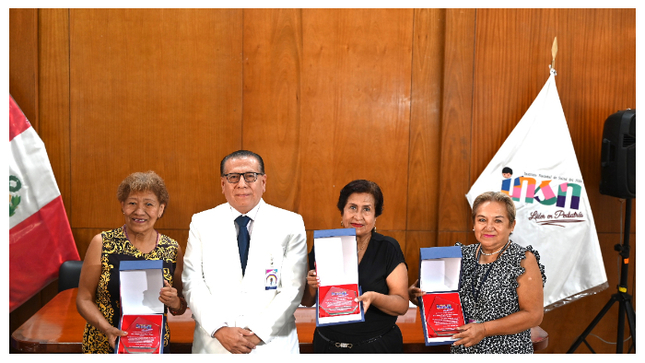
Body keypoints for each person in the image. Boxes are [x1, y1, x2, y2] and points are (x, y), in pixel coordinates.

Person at [182, 150, 308, 354]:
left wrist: (257, 333)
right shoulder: (201, 223)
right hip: (215, 345)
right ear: (223, 184)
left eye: (250, 176)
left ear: (263, 182)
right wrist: (220, 329)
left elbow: (293, 288)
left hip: (272, 347)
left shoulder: (290, 223)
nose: (241, 184)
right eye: (233, 177)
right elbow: (192, 282)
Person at [409, 191, 546, 353]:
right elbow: (444, 301)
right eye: (482, 220)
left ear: (512, 225)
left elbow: (534, 315)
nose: (489, 227)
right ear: (473, 224)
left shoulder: (522, 259)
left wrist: (484, 329)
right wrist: (418, 297)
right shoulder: (460, 255)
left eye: (498, 221)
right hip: (463, 351)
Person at [77, 171, 185, 353]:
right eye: (132, 203)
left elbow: (180, 306)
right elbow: (84, 299)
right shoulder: (102, 243)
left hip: (153, 347)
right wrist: (107, 329)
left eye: (149, 204)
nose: (139, 211)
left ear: (160, 209)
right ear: (122, 206)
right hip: (104, 344)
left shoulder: (172, 249)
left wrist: (174, 302)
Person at [301, 179, 409, 353]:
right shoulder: (324, 245)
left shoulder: (388, 248)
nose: (358, 216)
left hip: (376, 347)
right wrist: (312, 286)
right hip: (327, 346)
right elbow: (307, 301)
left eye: (366, 209)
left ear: (375, 216)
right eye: (352, 207)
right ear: (342, 211)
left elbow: (402, 304)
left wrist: (374, 297)